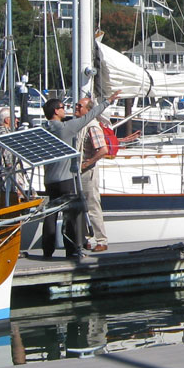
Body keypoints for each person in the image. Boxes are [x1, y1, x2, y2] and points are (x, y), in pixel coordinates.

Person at [40, 90, 119, 260]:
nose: (65, 109)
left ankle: (47, 250)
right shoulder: (66, 128)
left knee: (50, 214)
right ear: (56, 111)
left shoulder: (42, 130)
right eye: (62, 108)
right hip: (66, 179)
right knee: (71, 215)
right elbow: (90, 115)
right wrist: (108, 101)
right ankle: (73, 249)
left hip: (48, 179)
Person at [74, 97, 110, 253]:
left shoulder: (92, 126)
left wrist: (87, 163)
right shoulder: (79, 125)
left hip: (88, 172)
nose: (76, 107)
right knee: (80, 207)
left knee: (92, 206)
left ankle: (101, 240)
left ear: (88, 110)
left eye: (79, 106)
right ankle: (86, 239)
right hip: (78, 172)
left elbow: (103, 150)